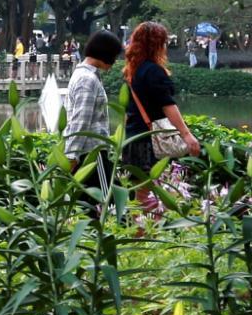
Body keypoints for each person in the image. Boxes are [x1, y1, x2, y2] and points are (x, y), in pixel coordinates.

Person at [123, 21, 201, 210]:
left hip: (132, 138)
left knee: (139, 194)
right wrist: (186, 134)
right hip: (148, 140)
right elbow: (167, 105)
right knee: (146, 195)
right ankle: (146, 234)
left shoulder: (132, 70)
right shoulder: (153, 71)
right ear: (157, 44)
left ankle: (139, 233)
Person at [63, 31, 124, 213]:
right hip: (92, 152)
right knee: (108, 206)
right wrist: (72, 156)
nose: (114, 63)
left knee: (89, 203)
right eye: (113, 56)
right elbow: (80, 121)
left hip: (90, 152)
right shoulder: (87, 80)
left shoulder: (85, 76)